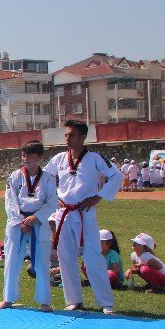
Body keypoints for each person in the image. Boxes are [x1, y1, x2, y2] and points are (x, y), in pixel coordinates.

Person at [43, 120, 123, 313]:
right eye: (66, 135)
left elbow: (117, 176)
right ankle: (74, 300)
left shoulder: (95, 158)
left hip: (85, 213)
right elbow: (44, 177)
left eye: (71, 135)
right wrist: (54, 197)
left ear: (82, 137)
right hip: (64, 215)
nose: (67, 139)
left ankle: (105, 303)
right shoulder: (59, 158)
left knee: (93, 257)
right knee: (66, 258)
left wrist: (99, 196)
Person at [0, 140, 58, 311]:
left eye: (30, 155)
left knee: (42, 263)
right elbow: (10, 201)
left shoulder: (47, 179)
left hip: (39, 223)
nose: (25, 158)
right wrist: (20, 221)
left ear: (39, 158)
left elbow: (52, 202)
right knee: (12, 260)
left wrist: (36, 217)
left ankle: (44, 301)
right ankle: (8, 298)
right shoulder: (14, 176)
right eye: (23, 155)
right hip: (17, 223)